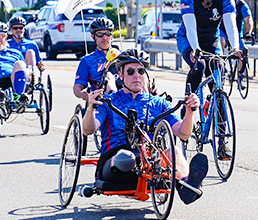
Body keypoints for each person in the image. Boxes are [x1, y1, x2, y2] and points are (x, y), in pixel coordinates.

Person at [81, 49, 208, 205]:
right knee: (126, 158)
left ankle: (186, 187)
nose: (136, 75)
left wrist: (189, 113)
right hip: (116, 162)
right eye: (130, 71)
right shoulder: (108, 101)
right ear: (120, 75)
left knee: (174, 151)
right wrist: (90, 109)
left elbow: (183, 133)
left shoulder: (159, 103)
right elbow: (88, 129)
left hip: (151, 163)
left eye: (141, 71)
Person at [175, 0, 239, 160]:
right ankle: (189, 106)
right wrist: (195, 50)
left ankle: (222, 141)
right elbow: (191, 26)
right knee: (199, 65)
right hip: (188, 39)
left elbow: (230, 24)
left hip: (211, 41)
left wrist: (236, 48)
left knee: (217, 83)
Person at [73, 17, 122, 101]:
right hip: (102, 99)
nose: (104, 37)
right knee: (108, 75)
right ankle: (113, 98)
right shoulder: (87, 60)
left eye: (107, 34)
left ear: (111, 35)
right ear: (93, 37)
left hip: (127, 94)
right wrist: (82, 93)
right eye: (100, 35)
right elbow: (77, 86)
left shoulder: (122, 56)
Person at [221, 0, 253, 73]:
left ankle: (241, 73)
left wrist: (248, 32)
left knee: (241, 52)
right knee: (221, 41)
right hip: (223, 29)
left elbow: (249, 20)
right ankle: (221, 63)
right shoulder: (224, 2)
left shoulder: (242, 5)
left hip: (236, 31)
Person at [7, 16, 45, 80]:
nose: (18, 30)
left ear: (24, 29)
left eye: (20, 28)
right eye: (15, 28)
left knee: (30, 52)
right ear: (11, 30)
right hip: (11, 73)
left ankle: (30, 79)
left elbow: (39, 61)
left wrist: (41, 65)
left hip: (27, 73)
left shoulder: (31, 44)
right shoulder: (6, 44)